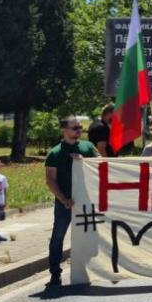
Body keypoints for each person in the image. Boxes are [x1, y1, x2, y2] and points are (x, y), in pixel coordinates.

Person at [44, 116, 98, 287]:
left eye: (80, 127)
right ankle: (54, 273)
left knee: (91, 235)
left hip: (86, 201)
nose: (78, 131)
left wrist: (85, 161)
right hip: (65, 203)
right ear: (64, 130)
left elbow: (101, 166)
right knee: (58, 237)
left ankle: (88, 268)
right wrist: (63, 199)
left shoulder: (88, 147)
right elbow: (50, 180)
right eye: (75, 128)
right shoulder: (55, 153)